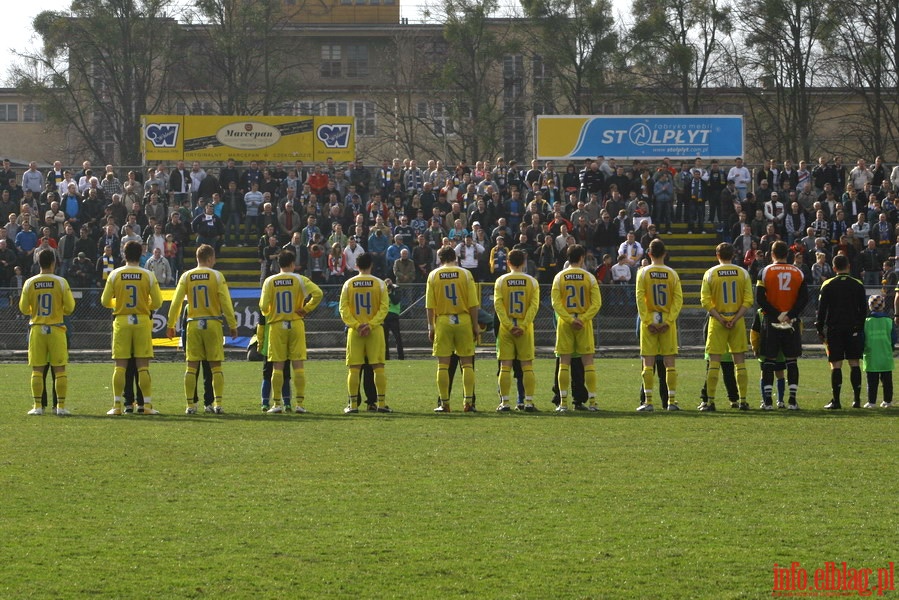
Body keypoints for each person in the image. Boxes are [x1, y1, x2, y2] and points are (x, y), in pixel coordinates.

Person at [166, 244, 238, 414]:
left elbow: (176, 302)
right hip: (213, 323)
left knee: (191, 366)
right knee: (215, 366)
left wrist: (170, 325)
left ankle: (190, 405)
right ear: (210, 258)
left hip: (193, 323)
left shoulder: (186, 276)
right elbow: (226, 303)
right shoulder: (217, 276)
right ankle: (217, 404)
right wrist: (232, 324)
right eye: (214, 258)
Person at [101, 240, 163, 415]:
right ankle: (147, 406)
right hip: (142, 320)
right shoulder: (148, 275)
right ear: (141, 255)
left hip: (121, 320)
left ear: (124, 255)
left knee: (120, 365)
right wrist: (144, 305)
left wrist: (118, 305)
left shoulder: (115, 274)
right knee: (143, 365)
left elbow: (105, 301)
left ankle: (117, 406)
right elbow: (157, 302)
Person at [258, 250, 323, 414]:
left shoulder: (269, 281)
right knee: (298, 365)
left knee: (278, 366)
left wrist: (272, 312)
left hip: (277, 325)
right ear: (293, 264)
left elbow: (263, 306)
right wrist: (306, 309)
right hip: (296, 323)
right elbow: (318, 293)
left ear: (278, 264)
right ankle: (299, 404)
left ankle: (277, 404)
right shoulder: (300, 279)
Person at [699, 242, 755, 411]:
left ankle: (710, 401)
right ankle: (743, 400)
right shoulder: (743, 273)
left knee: (714, 362)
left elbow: (705, 301)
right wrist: (735, 317)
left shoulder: (710, 273)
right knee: (740, 362)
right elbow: (748, 301)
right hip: (737, 322)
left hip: (717, 322)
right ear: (733, 255)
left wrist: (721, 318)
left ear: (717, 256)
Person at [20, 249, 76, 415]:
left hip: (37, 328)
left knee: (37, 369)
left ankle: (37, 407)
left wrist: (34, 310)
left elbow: (23, 308)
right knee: (60, 368)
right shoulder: (61, 282)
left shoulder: (30, 282)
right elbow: (70, 308)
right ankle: (60, 407)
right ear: (53, 263)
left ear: (38, 263)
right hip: (56, 328)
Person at [426, 245, 480, 412]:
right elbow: (473, 304)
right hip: (463, 319)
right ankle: (468, 403)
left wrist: (431, 327)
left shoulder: (434, 275)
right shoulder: (465, 274)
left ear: (440, 259)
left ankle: (444, 403)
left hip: (443, 320)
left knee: (443, 364)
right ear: (455, 257)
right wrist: (475, 325)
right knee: (467, 364)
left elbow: (429, 306)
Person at [757, 240, 809, 410]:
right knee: (791, 361)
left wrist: (777, 315)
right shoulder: (798, 272)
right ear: (787, 254)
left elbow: (760, 298)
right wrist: (790, 315)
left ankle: (768, 402)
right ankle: (792, 401)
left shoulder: (765, 272)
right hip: (791, 323)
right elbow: (804, 299)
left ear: (771, 254)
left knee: (769, 361)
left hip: (772, 322)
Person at [550, 244, 602, 412]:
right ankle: (593, 402)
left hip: (565, 324)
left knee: (564, 362)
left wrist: (569, 319)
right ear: (582, 258)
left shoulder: (559, 277)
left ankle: (563, 403)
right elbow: (597, 303)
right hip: (583, 324)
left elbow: (555, 303)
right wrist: (583, 318)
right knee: (588, 362)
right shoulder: (589, 277)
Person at [339, 252, 391, 414]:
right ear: (371, 265)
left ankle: (353, 405)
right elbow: (384, 308)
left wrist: (355, 325)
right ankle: (380, 403)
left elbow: (343, 309)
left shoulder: (349, 284)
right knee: (378, 367)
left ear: (356, 265)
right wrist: (371, 324)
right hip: (375, 330)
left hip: (355, 332)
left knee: (354, 368)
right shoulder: (379, 284)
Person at [634, 239, 682, 411]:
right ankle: (671, 401)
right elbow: (678, 300)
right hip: (667, 320)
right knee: (669, 362)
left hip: (650, 320)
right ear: (665, 254)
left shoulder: (643, 273)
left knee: (648, 361)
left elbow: (640, 299)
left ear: (649, 253)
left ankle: (648, 402)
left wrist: (647, 321)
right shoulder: (672, 274)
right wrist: (669, 321)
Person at [816, 254, 867, 409]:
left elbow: (821, 309)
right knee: (854, 362)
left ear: (834, 268)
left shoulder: (827, 284)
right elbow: (864, 309)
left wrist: (820, 328)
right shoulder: (858, 284)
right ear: (849, 266)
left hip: (835, 328)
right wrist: (859, 326)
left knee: (836, 364)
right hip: (853, 328)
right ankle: (857, 400)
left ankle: (836, 401)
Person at [493, 248, 539, 412]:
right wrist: (524, 325)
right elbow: (534, 306)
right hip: (525, 328)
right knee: (527, 366)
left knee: (505, 365)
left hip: (507, 328)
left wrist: (509, 325)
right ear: (524, 262)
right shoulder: (532, 281)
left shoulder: (501, 280)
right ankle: (528, 402)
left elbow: (498, 306)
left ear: (508, 262)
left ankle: (505, 403)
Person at [862, 294, 894, 408]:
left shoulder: (866, 321)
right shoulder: (889, 321)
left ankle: (871, 402)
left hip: (871, 354)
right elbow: (893, 338)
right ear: (883, 306)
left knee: (872, 381)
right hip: (886, 354)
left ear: (870, 306)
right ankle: (887, 401)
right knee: (887, 381)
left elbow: (862, 338)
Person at [383, 278, 404, 360]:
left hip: (393, 315)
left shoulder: (397, 289)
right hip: (385, 315)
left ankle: (400, 357)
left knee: (397, 337)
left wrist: (390, 293)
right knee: (385, 337)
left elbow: (396, 301)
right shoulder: (383, 291)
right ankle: (386, 356)